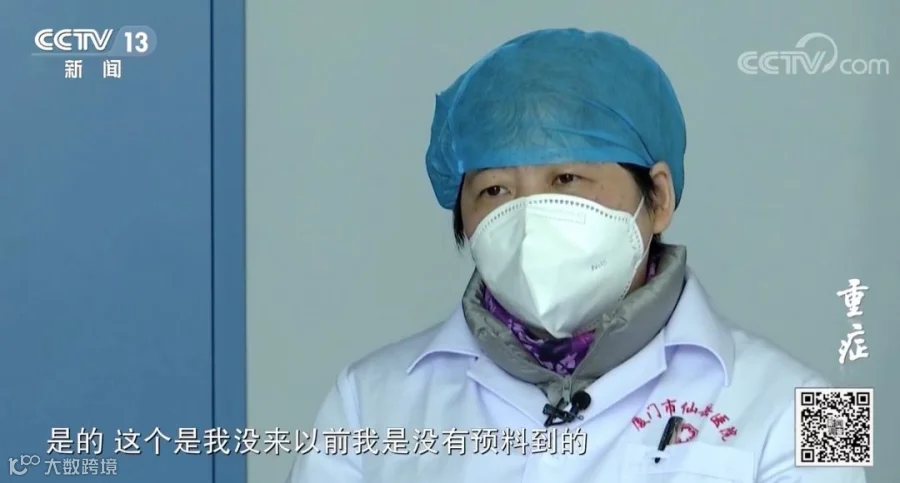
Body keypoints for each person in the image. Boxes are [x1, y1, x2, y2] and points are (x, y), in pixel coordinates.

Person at [288, 28, 867, 482]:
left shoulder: (821, 408)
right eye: (496, 190)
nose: (529, 218)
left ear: (658, 198)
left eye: (566, 179)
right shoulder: (365, 401)